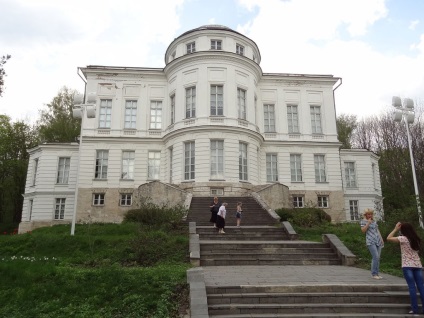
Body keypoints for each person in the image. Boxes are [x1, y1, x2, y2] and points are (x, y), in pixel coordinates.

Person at [387, 222, 424, 315]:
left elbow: (388, 238)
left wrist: (395, 229)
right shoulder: (416, 239)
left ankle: (415, 310)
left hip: (407, 265)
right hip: (417, 265)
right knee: (421, 287)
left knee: (412, 287)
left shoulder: (403, 238)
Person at [360, 208, 384, 279]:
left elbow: (377, 230)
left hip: (377, 240)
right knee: (375, 257)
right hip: (370, 241)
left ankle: (377, 273)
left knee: (378, 258)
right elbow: (363, 230)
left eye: (371, 214)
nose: (370, 215)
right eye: (368, 214)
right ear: (366, 215)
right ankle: (374, 274)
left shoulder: (374, 221)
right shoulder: (363, 221)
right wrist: (368, 223)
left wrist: (381, 239)